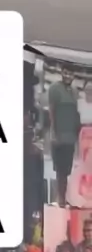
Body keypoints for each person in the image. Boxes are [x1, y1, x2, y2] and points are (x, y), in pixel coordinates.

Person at [48, 66, 81, 207]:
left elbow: (76, 112)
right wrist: (54, 132)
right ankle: (60, 198)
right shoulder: (55, 88)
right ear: (62, 73)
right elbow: (52, 110)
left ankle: (64, 197)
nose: (68, 76)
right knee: (60, 170)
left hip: (70, 137)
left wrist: (77, 132)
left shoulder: (74, 91)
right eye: (66, 72)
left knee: (67, 170)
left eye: (71, 73)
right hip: (59, 136)